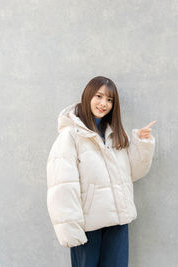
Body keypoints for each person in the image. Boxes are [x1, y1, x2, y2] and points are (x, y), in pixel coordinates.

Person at [46, 76, 157, 267]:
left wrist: (141, 143)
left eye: (109, 99)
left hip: (118, 222)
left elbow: (131, 174)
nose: (103, 103)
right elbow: (62, 186)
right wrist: (70, 229)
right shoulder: (71, 136)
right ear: (88, 96)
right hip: (88, 226)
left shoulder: (114, 135)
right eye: (99, 96)